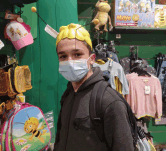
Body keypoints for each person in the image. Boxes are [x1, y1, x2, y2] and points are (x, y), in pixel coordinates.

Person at [54, 23, 134, 151]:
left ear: (91, 59)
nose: (69, 61)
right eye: (63, 56)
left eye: (77, 54)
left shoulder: (109, 101)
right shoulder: (68, 95)